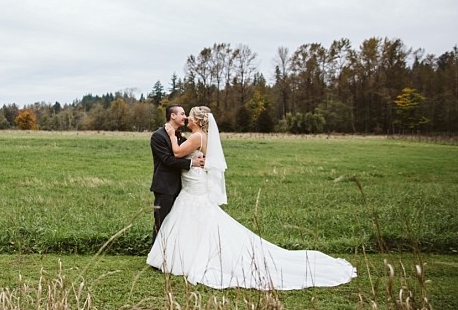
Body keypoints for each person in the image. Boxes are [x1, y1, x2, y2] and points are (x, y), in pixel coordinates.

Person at [147, 106, 356, 290]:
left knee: (197, 219)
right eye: (184, 114)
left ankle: (185, 259)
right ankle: (181, 257)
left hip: (195, 187)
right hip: (193, 184)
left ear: (197, 120)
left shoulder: (196, 137)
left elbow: (175, 153)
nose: (186, 118)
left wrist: (173, 136)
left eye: (189, 115)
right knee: (192, 221)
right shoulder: (198, 136)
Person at [150, 105, 205, 242]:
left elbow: (184, 152)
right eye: (182, 113)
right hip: (165, 186)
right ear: (172, 116)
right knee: (162, 222)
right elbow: (167, 160)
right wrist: (192, 163)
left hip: (183, 187)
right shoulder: (158, 136)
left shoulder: (181, 136)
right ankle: (156, 256)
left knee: (176, 223)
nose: (185, 117)